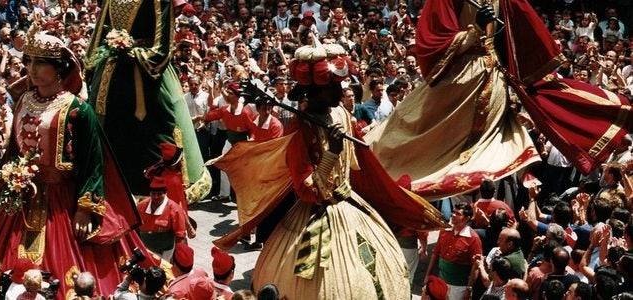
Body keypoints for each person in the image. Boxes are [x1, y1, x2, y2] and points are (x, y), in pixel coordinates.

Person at [212, 42, 445, 298]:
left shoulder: (341, 114)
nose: (339, 90)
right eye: (332, 87)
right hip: (315, 210)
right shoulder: (301, 132)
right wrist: (332, 151)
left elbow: (357, 164)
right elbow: (306, 190)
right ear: (313, 93)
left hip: (349, 205)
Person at [0, 24, 161, 297]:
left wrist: (85, 207)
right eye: (30, 61)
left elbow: (94, 160)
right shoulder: (23, 99)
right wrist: (8, 178)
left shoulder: (78, 109)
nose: (32, 69)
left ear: (59, 68)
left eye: (41, 63)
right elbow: (14, 147)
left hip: (64, 199)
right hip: (24, 196)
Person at [365, 0, 562, 199]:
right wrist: (475, 28)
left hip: (494, 76)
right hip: (460, 74)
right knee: (428, 128)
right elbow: (434, 39)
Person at [86, 0, 211, 199]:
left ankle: (159, 196)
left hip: (145, 76)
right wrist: (93, 64)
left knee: (155, 129)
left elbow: (163, 48)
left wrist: (131, 52)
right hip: (110, 72)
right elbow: (99, 35)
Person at [424, 202, 482, 299]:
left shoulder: (473, 239)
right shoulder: (444, 231)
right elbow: (435, 254)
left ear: (467, 218)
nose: (453, 215)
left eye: (458, 214)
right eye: (453, 212)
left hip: (458, 288)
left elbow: (475, 266)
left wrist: (469, 289)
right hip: (441, 283)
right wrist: (428, 275)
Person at [136, 175, 188, 259]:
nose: (156, 197)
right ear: (150, 193)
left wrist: (180, 256)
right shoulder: (141, 206)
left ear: (165, 193)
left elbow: (180, 235)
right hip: (145, 249)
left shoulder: (175, 209)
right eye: (153, 194)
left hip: (164, 252)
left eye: (159, 194)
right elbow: (135, 228)